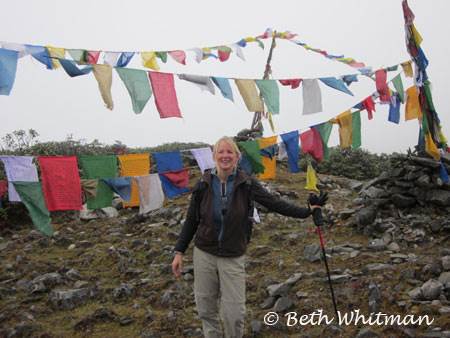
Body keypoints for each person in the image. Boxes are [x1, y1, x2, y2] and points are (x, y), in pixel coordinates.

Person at [171, 136, 326, 338]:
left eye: (230, 152)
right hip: (204, 254)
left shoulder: (247, 183)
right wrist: (179, 251)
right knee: (205, 309)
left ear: (237, 156)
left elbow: (275, 203)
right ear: (214, 156)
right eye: (221, 152)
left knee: (234, 313)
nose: (225, 156)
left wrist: (306, 211)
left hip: (233, 255)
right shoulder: (203, 184)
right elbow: (192, 220)